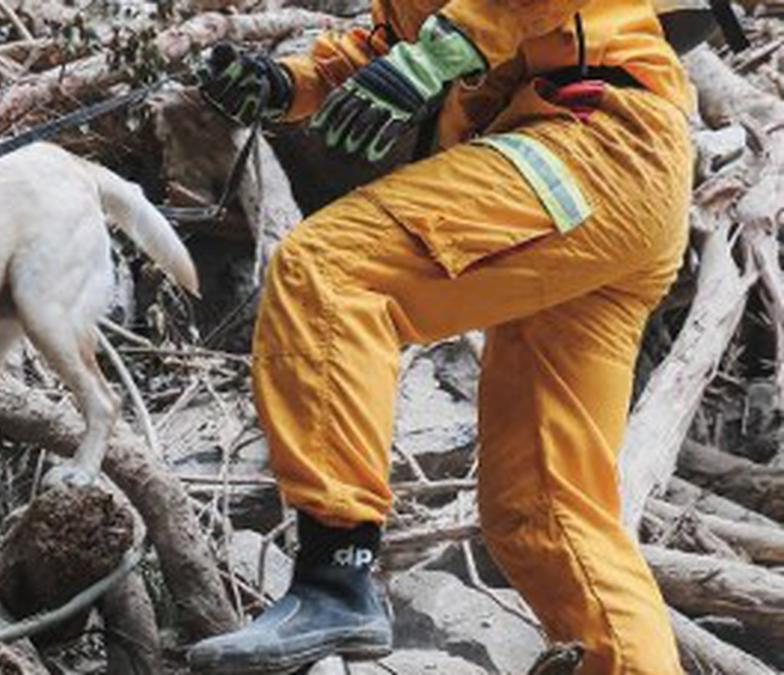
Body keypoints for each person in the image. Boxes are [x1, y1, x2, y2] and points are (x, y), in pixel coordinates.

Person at [189, 1, 695, 673]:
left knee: (330, 271)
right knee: (540, 509)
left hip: (597, 139)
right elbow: (389, 44)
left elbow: (461, 34)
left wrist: (439, 55)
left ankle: (335, 577)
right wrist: (286, 85)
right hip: (615, 189)